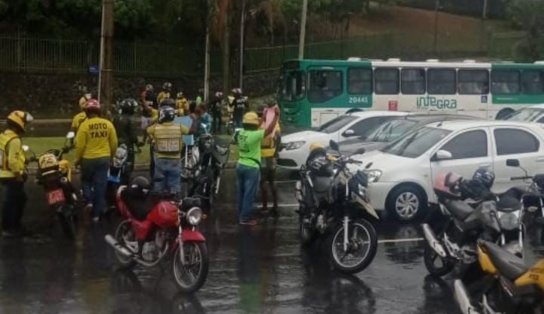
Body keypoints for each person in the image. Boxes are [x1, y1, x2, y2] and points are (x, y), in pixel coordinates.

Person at [75, 100, 118, 222]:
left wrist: (77, 160)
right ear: (99, 111)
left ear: (87, 112)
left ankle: (88, 200)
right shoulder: (108, 124)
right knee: (100, 186)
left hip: (88, 159)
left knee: (86, 181)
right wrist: (112, 156)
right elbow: (114, 143)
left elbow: (80, 146)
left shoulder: (84, 125)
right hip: (104, 158)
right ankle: (96, 215)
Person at [236, 110, 279, 226]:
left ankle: (241, 214)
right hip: (252, 167)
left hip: (240, 164)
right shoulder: (256, 135)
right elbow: (269, 130)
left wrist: (263, 118)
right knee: (249, 194)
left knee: (241, 192)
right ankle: (245, 218)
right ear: (254, 124)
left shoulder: (240, 133)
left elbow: (254, 128)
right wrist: (276, 116)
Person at [0, 111, 33, 237]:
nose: (25, 125)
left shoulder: (3, 136)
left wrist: (25, 160)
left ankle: (11, 226)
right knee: (14, 202)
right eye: (24, 123)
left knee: (15, 200)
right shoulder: (15, 140)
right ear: (18, 124)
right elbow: (12, 161)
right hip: (11, 175)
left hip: (3, 173)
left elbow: (7, 155)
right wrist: (18, 176)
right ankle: (11, 227)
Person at [147, 106, 192, 198]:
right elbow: (189, 130)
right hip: (175, 160)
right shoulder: (179, 127)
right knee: (174, 183)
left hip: (160, 159)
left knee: (159, 183)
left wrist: (156, 118)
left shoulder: (155, 128)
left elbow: (147, 129)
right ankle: (174, 202)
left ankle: (159, 202)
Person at [258, 102, 281, 217]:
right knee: (272, 181)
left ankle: (265, 206)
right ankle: (276, 206)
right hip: (271, 156)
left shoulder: (260, 124)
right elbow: (279, 137)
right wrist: (276, 153)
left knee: (263, 182)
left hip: (262, 156)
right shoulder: (275, 124)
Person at [113, 98, 141, 183]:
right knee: (127, 169)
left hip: (116, 145)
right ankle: (124, 186)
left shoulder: (116, 118)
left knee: (115, 167)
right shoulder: (130, 120)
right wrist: (137, 143)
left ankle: (114, 185)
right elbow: (133, 136)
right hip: (127, 147)